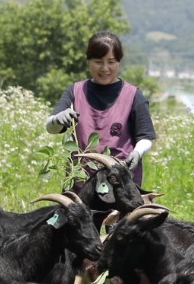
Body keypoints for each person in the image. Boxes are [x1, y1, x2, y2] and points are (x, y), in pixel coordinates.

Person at [46, 31, 157, 189]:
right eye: (98, 61)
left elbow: (145, 137)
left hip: (120, 185)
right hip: (80, 184)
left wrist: (138, 152)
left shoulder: (133, 95)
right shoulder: (75, 91)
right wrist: (57, 119)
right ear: (89, 61)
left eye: (111, 62)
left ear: (119, 62)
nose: (105, 68)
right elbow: (51, 128)